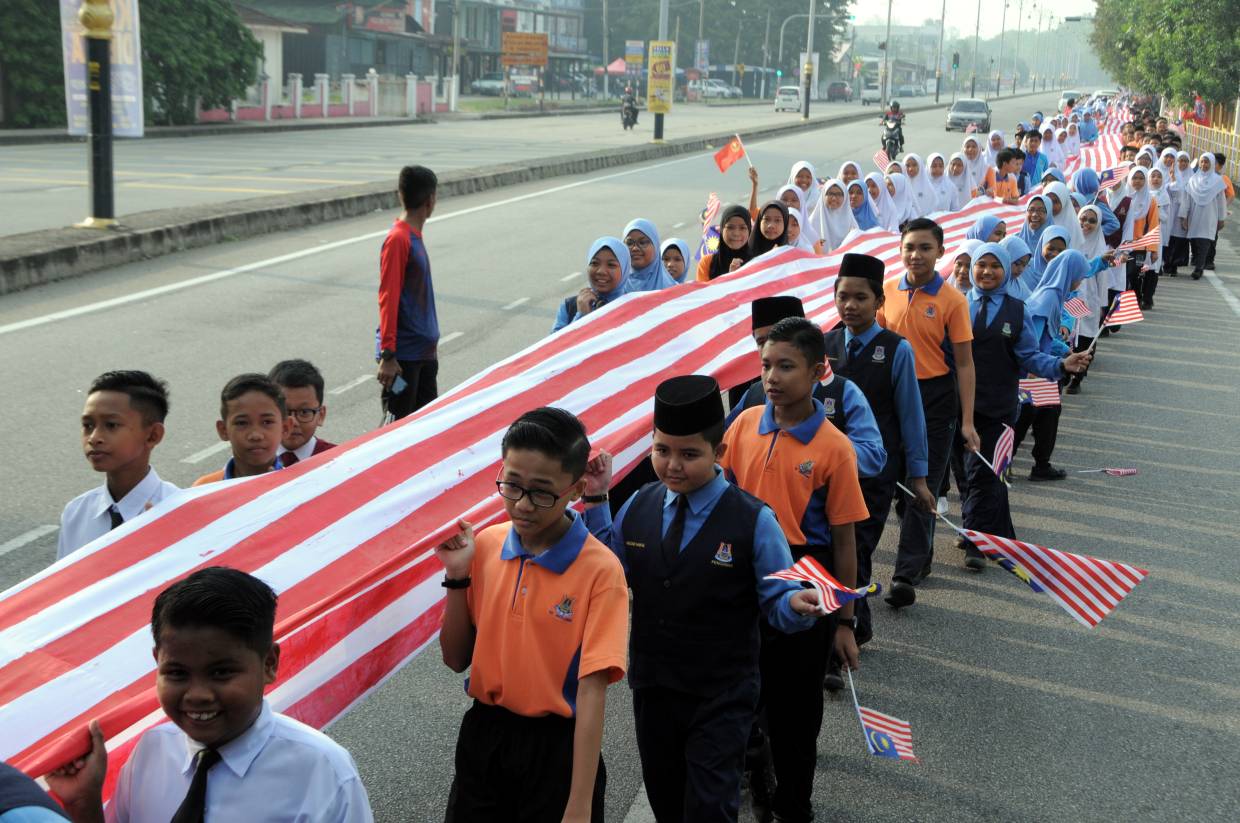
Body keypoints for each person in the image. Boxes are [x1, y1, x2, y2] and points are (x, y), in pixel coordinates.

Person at [580, 376, 822, 823]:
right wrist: (597, 498)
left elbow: (779, 596)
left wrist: (795, 606)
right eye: (661, 450)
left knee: (710, 806)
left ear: (719, 453)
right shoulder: (639, 505)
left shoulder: (754, 521)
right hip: (654, 687)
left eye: (689, 454)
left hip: (723, 691)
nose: (672, 465)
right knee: (666, 800)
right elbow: (608, 572)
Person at [47, 567, 374, 823]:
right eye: (177, 673)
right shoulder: (151, 751)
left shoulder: (322, 772)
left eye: (221, 672)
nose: (198, 695)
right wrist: (84, 804)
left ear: (269, 664)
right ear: (156, 663)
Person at [436, 408, 628, 822]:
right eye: (512, 485)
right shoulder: (486, 546)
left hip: (557, 750)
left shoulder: (600, 570)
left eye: (541, 492)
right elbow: (455, 659)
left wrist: (578, 804)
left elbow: (593, 691)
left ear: (575, 488)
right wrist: (457, 576)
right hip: (485, 737)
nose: (521, 505)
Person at [720, 317, 869, 823]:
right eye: (766, 365)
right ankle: (757, 779)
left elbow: (845, 541)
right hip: (744, 576)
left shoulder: (834, 448)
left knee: (796, 707)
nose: (772, 377)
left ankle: (794, 803)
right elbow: (722, 501)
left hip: (807, 576)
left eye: (786, 366)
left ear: (818, 370)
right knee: (742, 693)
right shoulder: (742, 426)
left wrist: (844, 621)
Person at [959, 245, 1090, 567]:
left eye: (995, 266)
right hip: (956, 406)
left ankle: (975, 541)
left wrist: (1061, 365)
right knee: (964, 474)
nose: (987, 272)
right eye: (981, 265)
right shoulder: (957, 305)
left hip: (998, 406)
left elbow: (1029, 355)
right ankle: (990, 530)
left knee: (984, 473)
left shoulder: (1018, 310)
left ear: (1005, 270)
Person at [825, 253, 932, 644]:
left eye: (860, 298)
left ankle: (845, 632)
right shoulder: (825, 345)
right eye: (842, 297)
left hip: (874, 473)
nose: (849, 305)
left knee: (859, 547)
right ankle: (857, 623)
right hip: (827, 472)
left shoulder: (896, 349)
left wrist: (917, 477)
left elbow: (911, 417)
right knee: (836, 549)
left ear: (879, 302)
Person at [878, 218, 979, 608]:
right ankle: (922, 556)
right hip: (894, 399)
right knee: (900, 488)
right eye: (909, 247)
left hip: (936, 400)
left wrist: (967, 421)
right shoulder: (887, 292)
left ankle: (904, 575)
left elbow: (966, 365)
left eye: (924, 247)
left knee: (925, 484)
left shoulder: (953, 300)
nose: (915, 255)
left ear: (939, 251)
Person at [726, 296, 887, 482]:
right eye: (762, 342)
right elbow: (723, 449)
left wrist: (820, 446)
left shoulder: (843, 392)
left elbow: (874, 458)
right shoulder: (753, 396)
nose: (770, 349)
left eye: (779, 339)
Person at [57, 371, 178, 561]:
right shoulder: (77, 513)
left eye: (111, 425)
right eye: (88, 425)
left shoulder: (177, 510)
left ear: (152, 435)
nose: (94, 438)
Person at [1013, 251, 1093, 481]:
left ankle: (1038, 464)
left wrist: (1066, 351)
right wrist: (1035, 370)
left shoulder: (1054, 294)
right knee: (1029, 417)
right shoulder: (1049, 298)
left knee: (1044, 415)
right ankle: (1013, 464)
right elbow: (1035, 338)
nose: (1080, 281)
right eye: (1079, 275)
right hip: (1037, 372)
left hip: (1043, 367)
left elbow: (1048, 335)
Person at [377, 165, 440, 421]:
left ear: (400, 194)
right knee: (401, 427)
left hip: (424, 353)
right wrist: (388, 355)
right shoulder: (398, 239)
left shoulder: (412, 236)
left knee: (427, 424)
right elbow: (388, 298)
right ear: (431, 200)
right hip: (405, 359)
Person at [193, 374, 290, 486]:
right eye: (242, 423)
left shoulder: (297, 489)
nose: (255, 435)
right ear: (223, 430)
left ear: (285, 428)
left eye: (267, 422)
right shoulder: (203, 489)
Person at [268, 359, 336, 466]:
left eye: (304, 412)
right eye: (284, 411)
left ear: (321, 415)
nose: (293, 422)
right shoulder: (249, 464)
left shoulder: (338, 459)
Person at [555, 237, 631, 331]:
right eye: (595, 263)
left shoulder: (633, 307)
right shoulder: (570, 306)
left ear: (624, 269)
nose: (601, 271)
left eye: (611, 265)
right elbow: (553, 344)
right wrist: (581, 317)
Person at [1183, 153, 1228, 279]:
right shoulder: (1193, 179)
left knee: (1204, 241)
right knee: (1195, 241)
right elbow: (1187, 199)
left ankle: (1199, 268)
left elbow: (1221, 202)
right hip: (1194, 215)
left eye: (1207, 162)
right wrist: (1184, 216)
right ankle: (1198, 261)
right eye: (1202, 162)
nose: (1204, 165)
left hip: (1210, 216)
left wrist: (1221, 218)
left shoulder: (1218, 181)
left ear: (1212, 164)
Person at [696, 205, 754, 281]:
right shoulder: (707, 263)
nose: (736, 233)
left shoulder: (757, 261)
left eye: (742, 228)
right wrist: (729, 277)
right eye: (730, 227)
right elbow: (702, 292)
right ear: (722, 229)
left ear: (749, 231)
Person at [623, 219, 678, 291]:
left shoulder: (672, 290)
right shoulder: (614, 287)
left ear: (656, 246)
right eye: (629, 243)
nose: (635, 248)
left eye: (642, 242)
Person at [818, 179, 859, 251]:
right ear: (823, 195)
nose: (834, 198)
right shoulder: (812, 223)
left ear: (845, 197)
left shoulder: (852, 225)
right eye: (830, 193)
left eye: (839, 194)